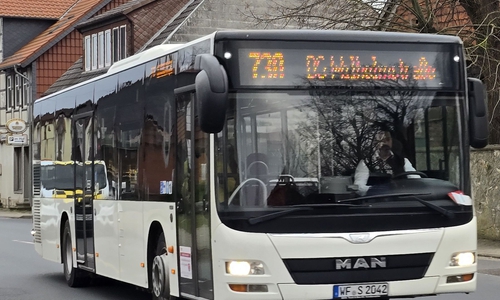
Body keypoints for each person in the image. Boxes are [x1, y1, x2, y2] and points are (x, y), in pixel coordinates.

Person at [354, 130, 418, 196]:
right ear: (375, 143)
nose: (385, 143)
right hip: (378, 202)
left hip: (402, 201)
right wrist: (377, 190)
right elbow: (358, 187)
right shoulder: (366, 162)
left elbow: (416, 181)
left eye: (388, 140)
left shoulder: (402, 161)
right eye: (382, 140)